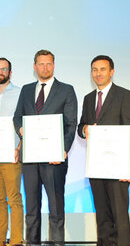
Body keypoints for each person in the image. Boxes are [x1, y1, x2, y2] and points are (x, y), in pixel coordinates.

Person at [13, 50, 77, 246]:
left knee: (56, 208)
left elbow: (71, 123)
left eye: (49, 64)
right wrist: (21, 128)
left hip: (54, 159)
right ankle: (32, 243)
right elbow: (17, 117)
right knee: (32, 208)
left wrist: (63, 150)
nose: (45, 67)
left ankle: (57, 244)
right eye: (41, 64)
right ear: (35, 66)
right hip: (30, 158)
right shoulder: (26, 89)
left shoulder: (66, 90)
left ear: (54, 65)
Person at [77, 55, 130, 246]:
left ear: (112, 72)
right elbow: (81, 126)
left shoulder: (124, 95)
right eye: (95, 69)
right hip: (97, 166)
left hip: (118, 166)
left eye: (103, 69)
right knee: (102, 215)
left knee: (120, 216)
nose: (98, 73)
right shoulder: (89, 98)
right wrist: (84, 129)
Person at [0, 57, 24, 246]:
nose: (0, 72)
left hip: (11, 156)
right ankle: (0, 241)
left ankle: (16, 241)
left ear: (10, 72)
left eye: (4, 69)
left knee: (14, 199)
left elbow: (25, 123)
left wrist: (19, 148)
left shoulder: (20, 93)